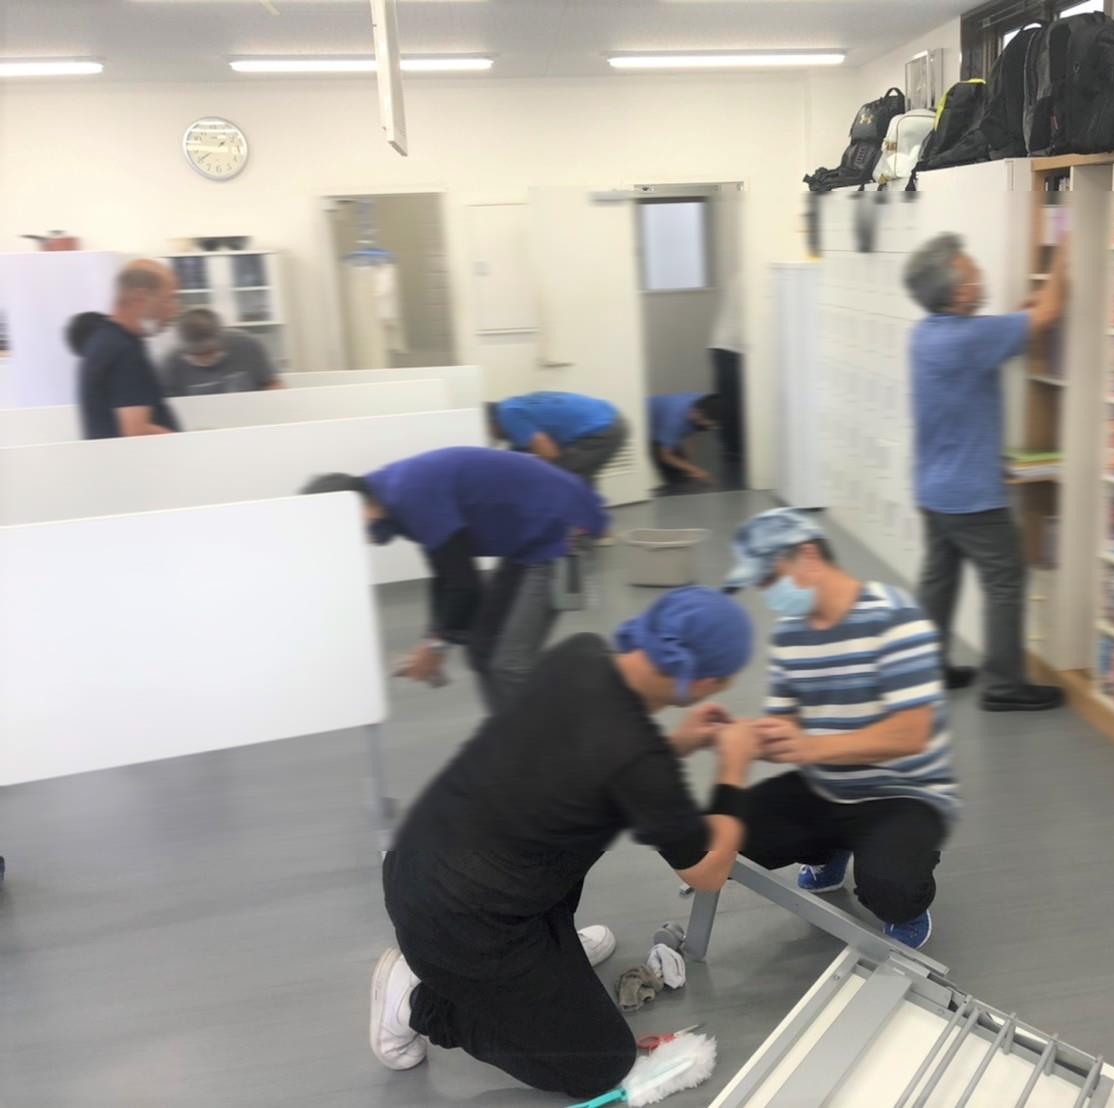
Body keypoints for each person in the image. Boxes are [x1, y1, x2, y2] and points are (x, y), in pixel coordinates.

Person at [371, 587, 763, 1098]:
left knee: (571, 823)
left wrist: (682, 743)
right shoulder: (639, 763)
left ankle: (551, 954)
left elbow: (607, 765)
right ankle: (416, 1001)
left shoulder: (581, 654)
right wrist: (734, 768)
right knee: (602, 1065)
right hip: (458, 925)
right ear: (706, 681)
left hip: (420, 860)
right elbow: (708, 872)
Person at [723, 508, 955, 949]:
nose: (767, 592)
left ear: (808, 556)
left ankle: (905, 894)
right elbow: (785, 727)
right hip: (827, 783)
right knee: (724, 835)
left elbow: (911, 735)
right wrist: (748, 737)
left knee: (892, 889)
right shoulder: (790, 636)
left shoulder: (895, 618)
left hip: (901, 793)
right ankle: (831, 847)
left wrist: (811, 747)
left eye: (770, 578)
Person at [301, 446, 607, 715]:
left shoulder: (409, 494)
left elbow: (465, 586)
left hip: (564, 532)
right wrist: (434, 638)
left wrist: (435, 646)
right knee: (482, 650)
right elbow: (446, 571)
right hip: (533, 538)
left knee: (510, 664)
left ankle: (550, 747)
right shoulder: (391, 493)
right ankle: (509, 739)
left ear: (359, 512)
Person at [903, 232, 1068, 712]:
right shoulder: (972, 339)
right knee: (1005, 580)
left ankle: (927, 668)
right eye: (974, 275)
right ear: (958, 294)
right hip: (972, 497)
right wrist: (1067, 248)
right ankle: (1004, 685)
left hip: (932, 489)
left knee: (939, 581)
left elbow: (1008, 329)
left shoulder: (927, 334)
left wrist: (1024, 314)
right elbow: (1050, 312)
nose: (981, 279)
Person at [78, 260, 182, 439]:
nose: (175, 310)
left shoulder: (103, 340)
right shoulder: (123, 352)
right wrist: (187, 443)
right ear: (140, 297)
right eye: (169, 299)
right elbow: (137, 432)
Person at [487, 390, 629, 489]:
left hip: (603, 428)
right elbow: (518, 455)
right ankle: (588, 517)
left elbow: (549, 454)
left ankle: (582, 518)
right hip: (607, 416)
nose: (490, 437)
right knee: (579, 475)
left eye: (488, 432)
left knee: (561, 475)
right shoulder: (512, 406)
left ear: (492, 423)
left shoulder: (508, 416)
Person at [159, 308, 281, 396]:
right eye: (197, 355)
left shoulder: (248, 345)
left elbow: (273, 385)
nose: (205, 359)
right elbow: (169, 408)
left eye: (210, 352)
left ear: (222, 337)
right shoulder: (171, 364)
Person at [646, 392, 722, 490]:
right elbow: (664, 455)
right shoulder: (674, 421)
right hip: (642, 425)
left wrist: (690, 466)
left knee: (683, 469)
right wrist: (696, 470)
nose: (692, 416)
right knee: (673, 477)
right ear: (697, 411)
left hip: (662, 425)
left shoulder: (703, 402)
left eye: (709, 425)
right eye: (703, 422)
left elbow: (691, 432)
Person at [708, 276, 745, 465]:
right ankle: (735, 449)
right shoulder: (750, 278)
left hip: (721, 345)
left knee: (729, 400)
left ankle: (731, 448)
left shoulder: (741, 277)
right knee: (735, 401)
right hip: (731, 347)